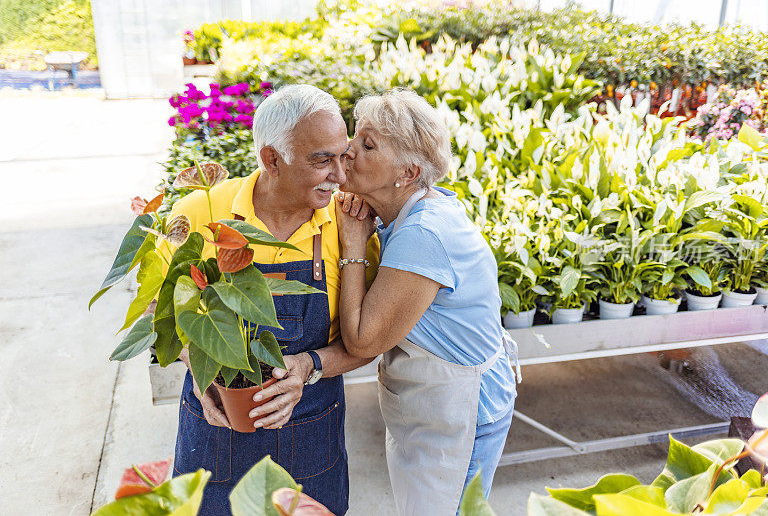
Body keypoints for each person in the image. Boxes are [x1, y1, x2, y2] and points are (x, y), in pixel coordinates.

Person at [166, 84, 377, 515]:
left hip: (312, 439)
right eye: (322, 160)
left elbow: (369, 341)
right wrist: (197, 366)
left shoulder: (350, 224)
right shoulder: (201, 211)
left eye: (344, 155)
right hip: (215, 437)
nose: (340, 175)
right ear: (271, 159)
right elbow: (159, 311)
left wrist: (308, 367)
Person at [335, 88, 520, 515]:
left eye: (367, 145)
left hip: (462, 419)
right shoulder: (412, 213)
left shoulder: (424, 234)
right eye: (354, 136)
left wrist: (352, 242)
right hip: (442, 409)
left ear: (407, 172)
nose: (348, 150)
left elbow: (363, 340)